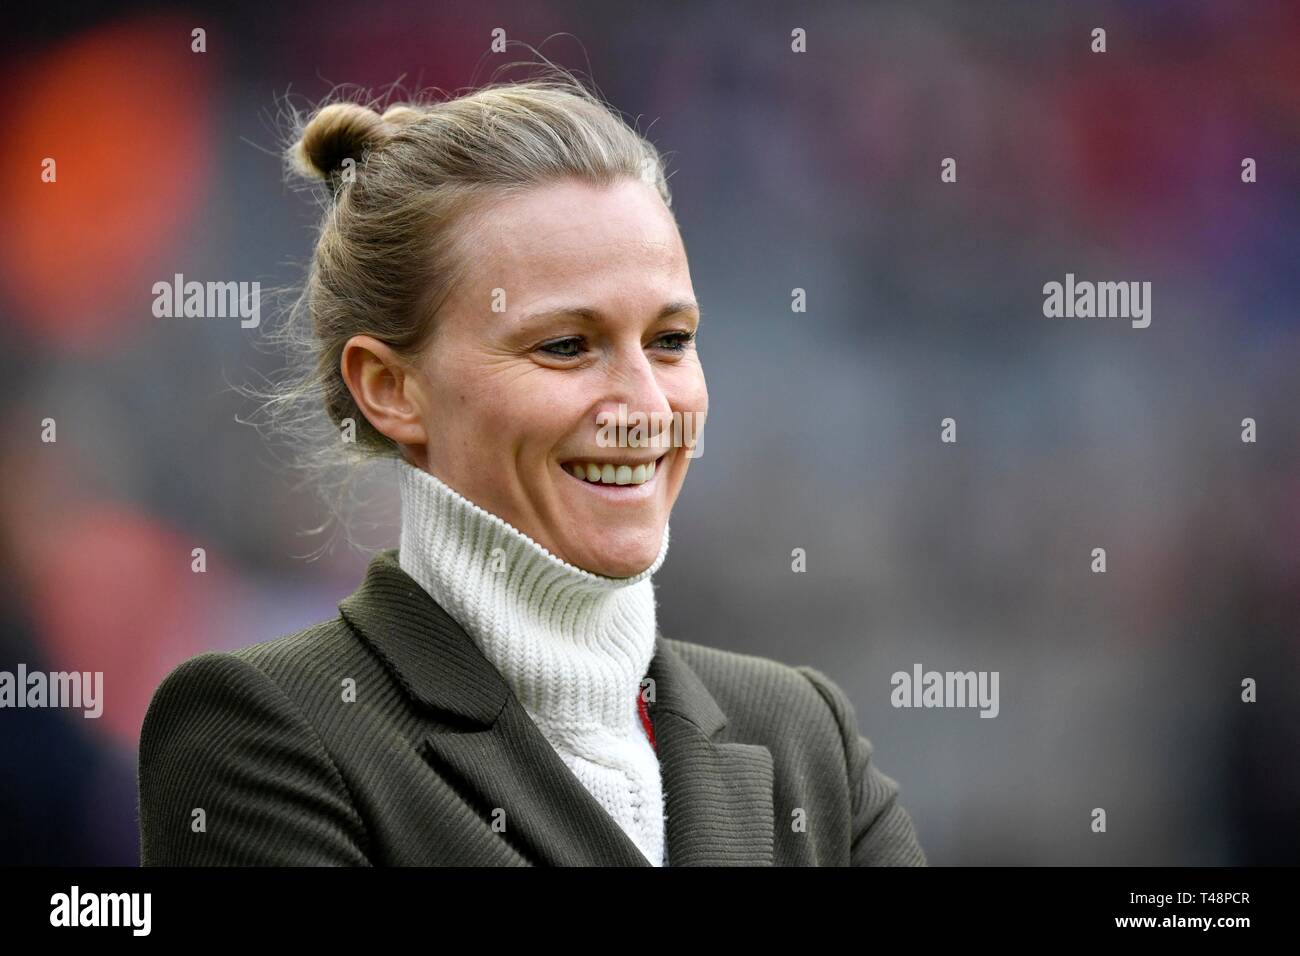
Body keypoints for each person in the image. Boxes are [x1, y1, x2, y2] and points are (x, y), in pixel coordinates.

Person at [137, 72, 927, 867]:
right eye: (565, 346)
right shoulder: (266, 733)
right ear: (390, 388)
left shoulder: (806, 739)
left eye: (671, 340)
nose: (647, 408)